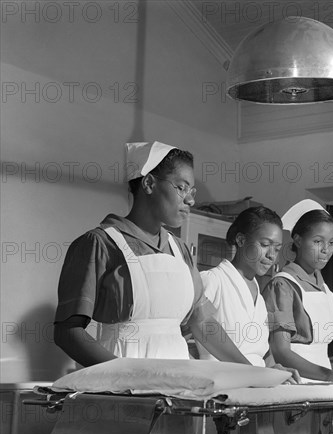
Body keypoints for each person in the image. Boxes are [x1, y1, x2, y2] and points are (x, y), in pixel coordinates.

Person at [54, 141, 250, 366]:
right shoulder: (100, 244)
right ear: (148, 183)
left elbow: (203, 323)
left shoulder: (180, 251)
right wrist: (123, 374)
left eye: (192, 191)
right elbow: (67, 332)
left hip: (176, 380)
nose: (191, 200)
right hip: (122, 383)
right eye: (181, 187)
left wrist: (253, 372)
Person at [196, 206, 299, 380]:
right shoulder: (212, 280)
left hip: (255, 384)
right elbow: (187, 333)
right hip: (221, 383)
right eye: (265, 245)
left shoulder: (258, 294)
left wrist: (275, 369)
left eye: (277, 248)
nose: (271, 256)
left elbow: (258, 352)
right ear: (241, 240)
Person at [262, 199, 333, 382]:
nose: (326, 250)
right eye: (317, 241)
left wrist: (332, 375)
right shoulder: (283, 285)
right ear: (298, 240)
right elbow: (281, 351)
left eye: (331, 243)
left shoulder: (325, 290)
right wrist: (329, 375)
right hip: (295, 381)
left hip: (325, 380)